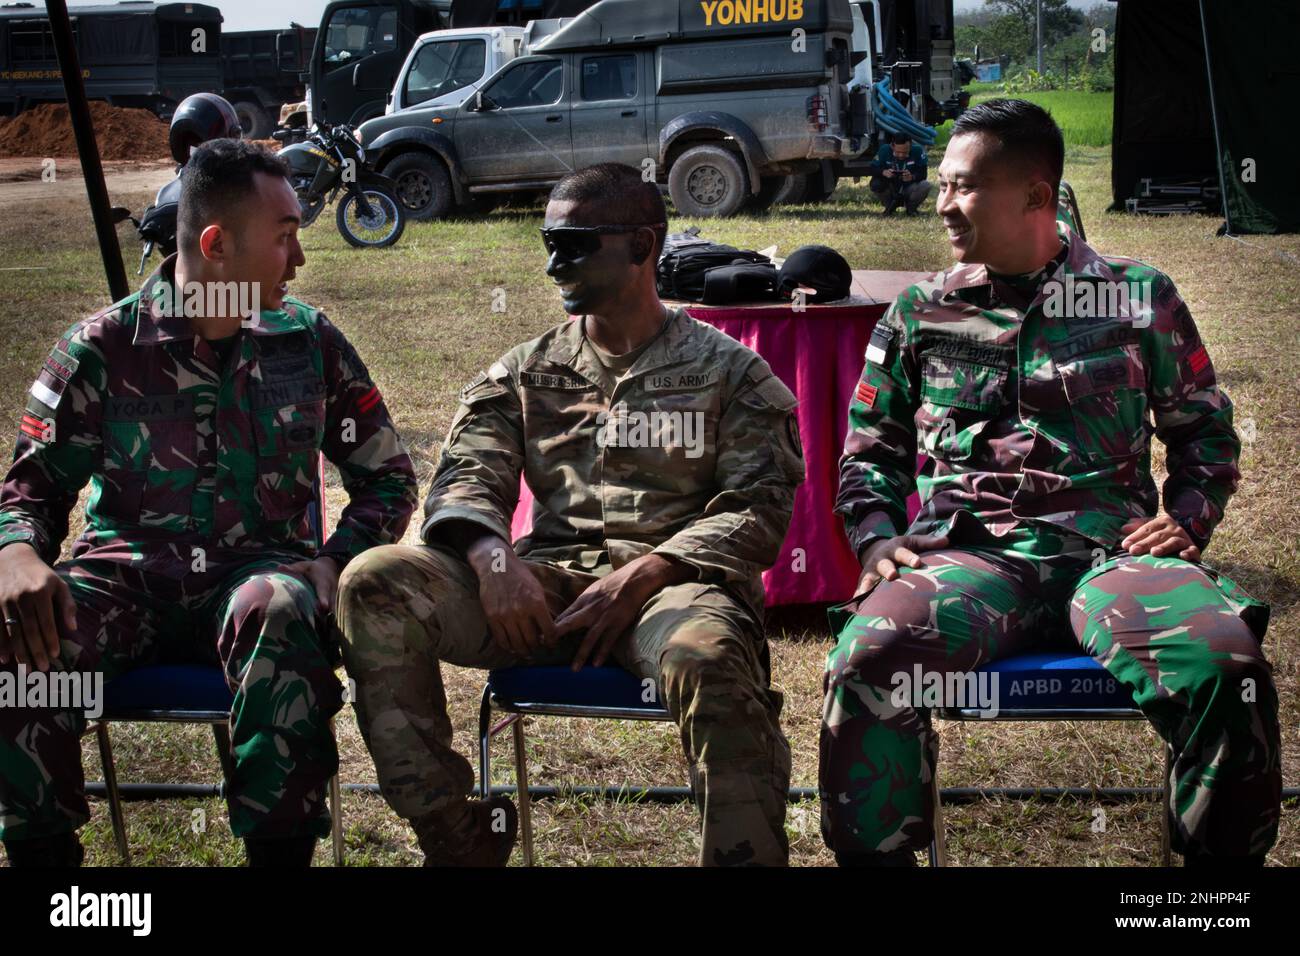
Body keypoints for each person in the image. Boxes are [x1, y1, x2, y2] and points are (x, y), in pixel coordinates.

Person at [822, 99, 1280, 866]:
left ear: (1037, 195)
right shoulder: (921, 311)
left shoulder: (1138, 298)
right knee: (868, 661)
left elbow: (1204, 430)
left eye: (964, 187)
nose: (943, 205)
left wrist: (1190, 517)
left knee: (1225, 671)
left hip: (1112, 556)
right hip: (968, 561)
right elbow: (870, 454)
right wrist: (874, 541)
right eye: (942, 185)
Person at [336, 162, 805, 867]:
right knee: (374, 582)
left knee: (709, 660)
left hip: (676, 591)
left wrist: (647, 572)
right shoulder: (525, 371)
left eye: (577, 243)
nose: (555, 263)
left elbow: (757, 509)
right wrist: (494, 562)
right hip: (546, 592)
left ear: (644, 246)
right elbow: (466, 477)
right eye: (549, 242)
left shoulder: (731, 372)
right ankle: (455, 838)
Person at [0, 140, 419, 867]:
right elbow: (30, 489)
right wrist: (14, 553)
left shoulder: (307, 342)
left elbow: (386, 477)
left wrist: (334, 560)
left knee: (279, 611)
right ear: (218, 245)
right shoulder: (101, 348)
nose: (300, 260)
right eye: (285, 236)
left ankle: (277, 857)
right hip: (123, 579)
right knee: (18, 643)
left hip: (255, 577)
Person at [866, 133, 932, 216]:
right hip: (890, 187)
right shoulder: (884, 150)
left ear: (910, 146)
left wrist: (912, 177)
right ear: (892, 146)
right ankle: (889, 207)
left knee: (925, 185)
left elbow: (923, 174)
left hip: (909, 188)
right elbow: (872, 169)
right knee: (876, 184)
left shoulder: (917, 150)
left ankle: (911, 209)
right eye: (897, 152)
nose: (901, 155)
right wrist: (884, 172)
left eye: (905, 152)